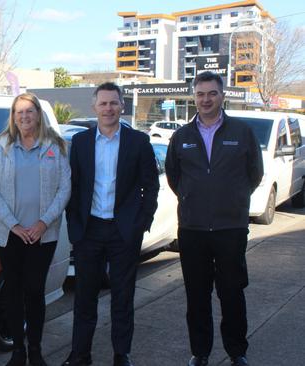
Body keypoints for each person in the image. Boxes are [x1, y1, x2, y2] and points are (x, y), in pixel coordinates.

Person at [165, 71, 263, 366]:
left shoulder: (242, 132)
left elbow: (254, 174)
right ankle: (201, 352)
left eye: (211, 93)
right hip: (193, 229)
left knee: (232, 292)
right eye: (200, 94)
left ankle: (237, 351)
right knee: (197, 295)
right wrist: (193, 197)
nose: (205, 99)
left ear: (222, 96)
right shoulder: (182, 136)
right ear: (194, 97)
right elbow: (174, 176)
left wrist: (233, 199)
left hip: (230, 228)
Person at [62, 82, 159, 366]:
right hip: (89, 230)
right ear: (94, 107)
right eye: (103, 103)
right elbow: (73, 185)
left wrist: (142, 222)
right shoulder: (80, 143)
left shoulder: (138, 142)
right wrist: (74, 223)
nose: (108, 108)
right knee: (84, 298)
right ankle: (80, 354)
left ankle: (121, 354)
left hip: (123, 232)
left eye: (113, 103)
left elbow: (150, 186)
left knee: (123, 297)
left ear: (122, 106)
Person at [0, 93, 71, 366]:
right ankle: (17, 351)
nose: (24, 117)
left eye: (29, 111)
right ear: (13, 116)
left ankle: (35, 350)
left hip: (42, 234)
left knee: (34, 291)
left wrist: (43, 222)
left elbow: (65, 188)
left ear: (38, 114)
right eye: (19, 112)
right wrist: (14, 225)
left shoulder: (55, 145)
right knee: (13, 291)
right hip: (9, 234)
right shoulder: (3, 145)